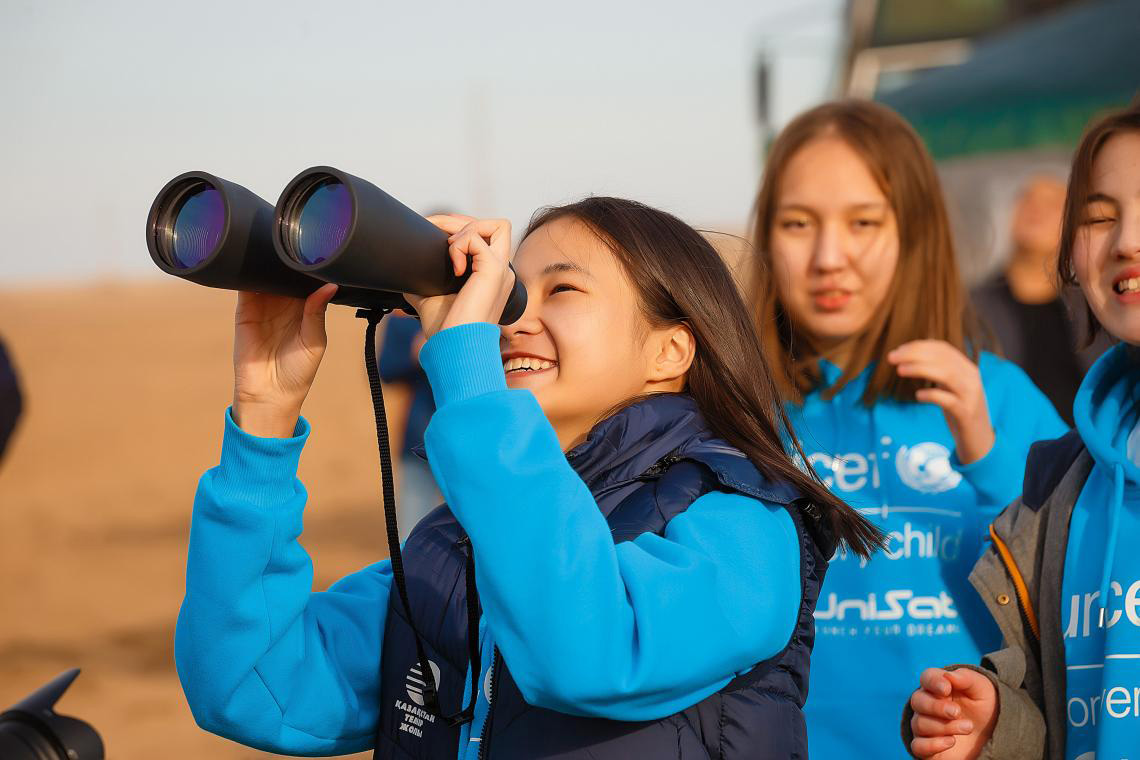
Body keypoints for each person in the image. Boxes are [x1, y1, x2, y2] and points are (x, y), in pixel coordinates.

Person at [173, 197, 881, 758]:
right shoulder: (458, 545)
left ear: (670, 350)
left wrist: (471, 377)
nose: (512, 322)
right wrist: (264, 420)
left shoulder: (740, 520)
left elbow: (590, 654)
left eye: (561, 290)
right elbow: (255, 685)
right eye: (508, 296)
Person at [748, 100, 1068, 756]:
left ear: (914, 232)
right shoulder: (735, 408)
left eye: (863, 222)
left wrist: (985, 450)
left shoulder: (996, 395)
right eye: (798, 223)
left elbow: (1081, 595)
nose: (829, 256)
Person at [905, 104, 1138, 760]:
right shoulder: (1055, 484)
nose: (1126, 239)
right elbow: (1056, 714)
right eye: (1098, 215)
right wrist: (996, 724)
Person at [972, 174, 1112, 424]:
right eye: (1027, 199)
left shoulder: (1098, 307)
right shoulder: (971, 307)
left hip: (1085, 452)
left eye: (1052, 203)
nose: (1036, 210)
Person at [378, 313, 441, 539]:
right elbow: (386, 368)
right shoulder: (401, 319)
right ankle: (409, 572)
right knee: (413, 522)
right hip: (419, 432)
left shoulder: (478, 312)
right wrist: (416, 353)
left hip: (470, 436)